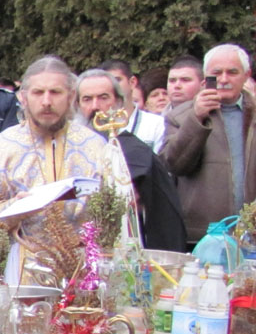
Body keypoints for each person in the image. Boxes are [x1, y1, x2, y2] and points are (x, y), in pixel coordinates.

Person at [0, 55, 113, 283]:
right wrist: (13, 210)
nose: (46, 101)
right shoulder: (3, 147)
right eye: (38, 93)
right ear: (24, 97)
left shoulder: (95, 146)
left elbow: (114, 215)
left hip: (83, 271)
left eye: (55, 92)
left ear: (71, 97)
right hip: (22, 271)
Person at [75, 69, 186, 251]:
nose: (95, 106)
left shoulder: (136, 150)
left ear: (118, 102)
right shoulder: (69, 148)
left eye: (103, 97)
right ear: (77, 105)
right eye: (87, 99)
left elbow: (161, 209)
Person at [160, 43, 256, 244]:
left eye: (232, 72)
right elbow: (174, 164)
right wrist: (196, 118)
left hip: (251, 235)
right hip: (202, 236)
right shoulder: (181, 116)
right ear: (205, 79)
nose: (224, 79)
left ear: (246, 76)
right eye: (216, 73)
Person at [99, 59, 165, 152]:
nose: (112, 87)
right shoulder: (95, 126)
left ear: (132, 82)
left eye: (117, 80)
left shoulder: (156, 124)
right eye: (106, 83)